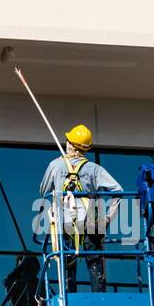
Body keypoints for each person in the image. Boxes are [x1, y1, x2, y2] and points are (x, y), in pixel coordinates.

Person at [39, 124, 122, 294]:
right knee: (95, 261)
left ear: (70, 144)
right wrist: (107, 218)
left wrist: (59, 180)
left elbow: (43, 190)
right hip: (92, 219)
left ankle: (69, 296)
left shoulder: (56, 165)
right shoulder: (94, 169)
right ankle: (99, 297)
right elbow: (118, 191)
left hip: (66, 220)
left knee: (67, 259)